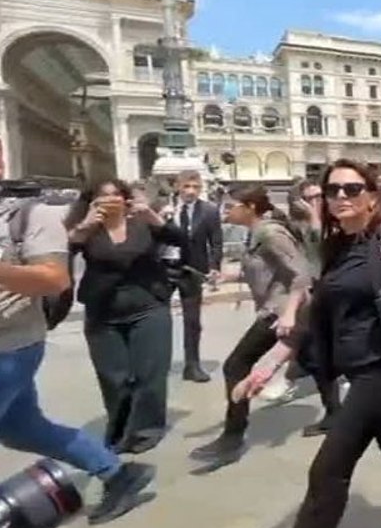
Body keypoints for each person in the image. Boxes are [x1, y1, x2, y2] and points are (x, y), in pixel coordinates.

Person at [232, 159, 381, 528]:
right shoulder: (334, 246)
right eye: (332, 190)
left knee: (328, 469)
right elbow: (316, 314)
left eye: (352, 189)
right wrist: (269, 366)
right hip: (356, 367)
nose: (341, 196)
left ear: (372, 197)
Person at [0, 129, 155, 524]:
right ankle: (118, 474)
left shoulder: (29, 213)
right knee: (22, 429)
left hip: (0, 351)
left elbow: (54, 279)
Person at [188, 185, 333, 469]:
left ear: (250, 207)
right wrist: (227, 277)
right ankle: (336, 412)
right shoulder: (256, 233)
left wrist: (289, 314)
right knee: (315, 360)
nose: (225, 210)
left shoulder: (270, 233)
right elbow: (265, 270)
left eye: (230, 205)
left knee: (235, 366)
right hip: (284, 310)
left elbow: (301, 275)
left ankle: (232, 437)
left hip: (280, 312)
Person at [67, 177, 187, 456]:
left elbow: (181, 240)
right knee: (113, 377)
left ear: (126, 198)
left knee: (149, 374)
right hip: (102, 313)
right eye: (103, 196)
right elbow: (64, 250)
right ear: (92, 202)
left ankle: (147, 429)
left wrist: (153, 216)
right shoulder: (87, 228)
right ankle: (120, 429)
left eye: (116, 195)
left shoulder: (142, 222)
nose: (111, 201)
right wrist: (85, 225)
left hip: (149, 308)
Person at [171, 170, 224, 383]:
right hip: (164, 269)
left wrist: (214, 267)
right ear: (178, 187)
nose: (191, 191)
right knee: (154, 317)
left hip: (192, 270)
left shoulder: (209, 211)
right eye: (186, 186)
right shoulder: (163, 208)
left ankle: (192, 365)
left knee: (192, 320)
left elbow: (216, 241)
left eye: (195, 187)